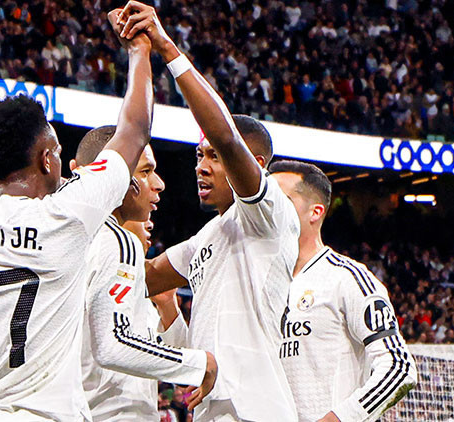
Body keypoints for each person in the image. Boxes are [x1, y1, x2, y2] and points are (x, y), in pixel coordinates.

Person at [0, 10, 178, 421]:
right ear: (46, 159)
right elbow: (134, 129)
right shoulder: (69, 215)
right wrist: (139, 51)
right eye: (56, 151)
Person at [117, 2, 300, 420]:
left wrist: (166, 49)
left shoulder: (270, 212)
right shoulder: (209, 236)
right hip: (214, 410)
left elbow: (228, 136)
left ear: (255, 164)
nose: (201, 166)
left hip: (257, 410)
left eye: (213, 156)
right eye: (199, 155)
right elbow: (147, 277)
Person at [72, 126, 216, 421]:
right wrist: (199, 364)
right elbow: (113, 347)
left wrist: (168, 305)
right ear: (113, 175)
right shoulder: (116, 242)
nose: (159, 184)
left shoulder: (68, 239)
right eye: (145, 172)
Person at [269, 160, 417, 421]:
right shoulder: (260, 282)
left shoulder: (347, 278)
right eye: (267, 200)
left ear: (315, 212)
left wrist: (339, 418)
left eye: (282, 200)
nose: (270, 208)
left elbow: (399, 368)